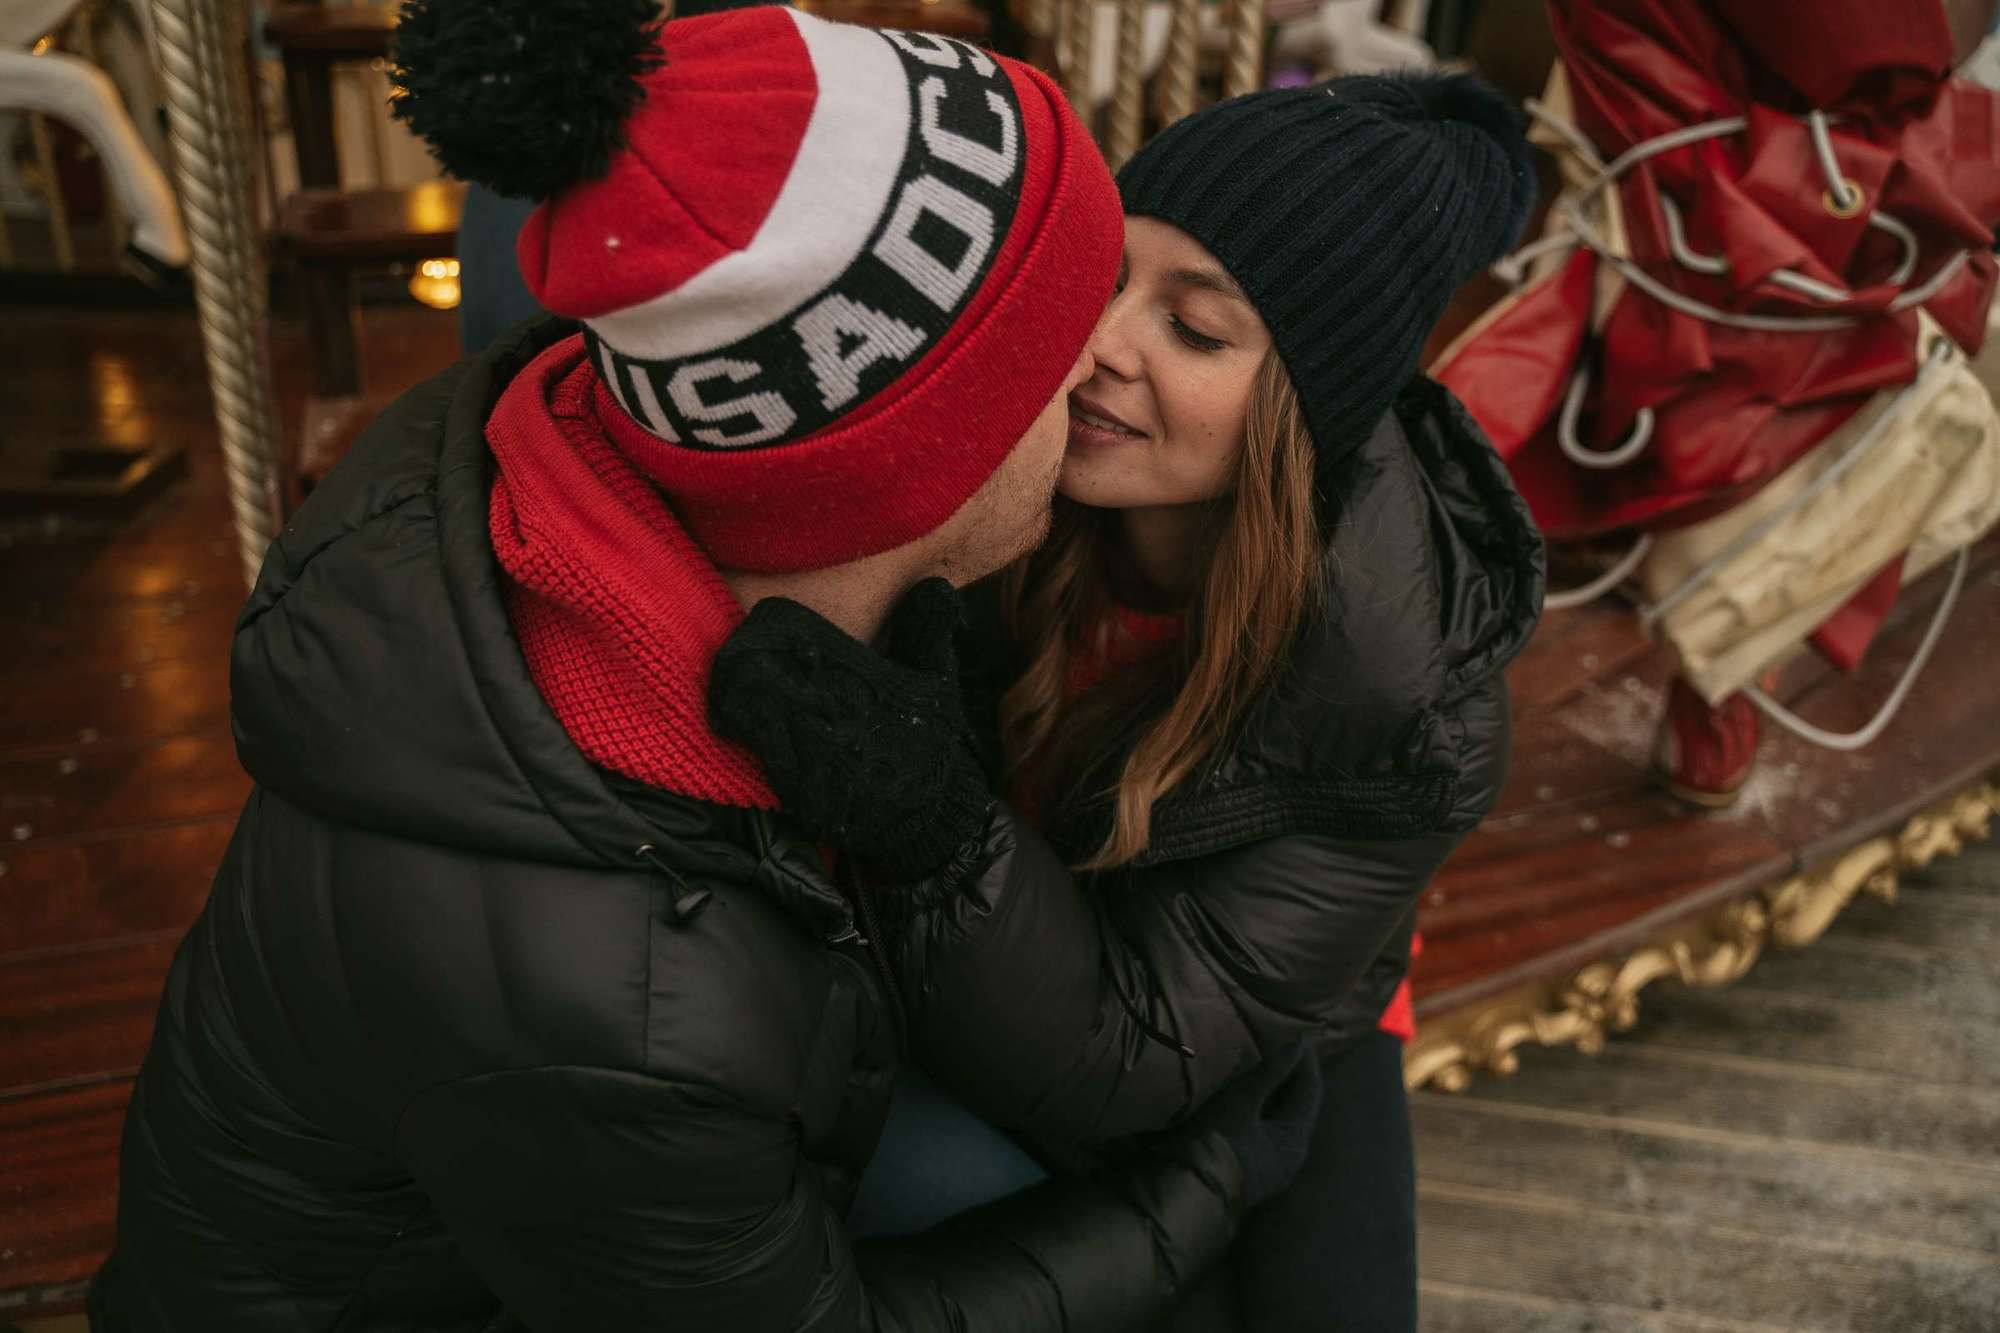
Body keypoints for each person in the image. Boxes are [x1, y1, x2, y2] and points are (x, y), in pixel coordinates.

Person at [87, 4, 1323, 1329]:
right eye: (1066, 326)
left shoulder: (602, 497)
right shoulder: (618, 991)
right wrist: (1207, 1190)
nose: (1103, 372)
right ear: (911, 462)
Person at [709, 71, 1547, 1330]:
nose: (1103, 345)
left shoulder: (1403, 703)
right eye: (1104, 280)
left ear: (1301, 416)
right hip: (1019, 969)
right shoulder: (1008, 487)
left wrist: (930, 815)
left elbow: (1132, 1054)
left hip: (1261, 1012)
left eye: (1195, 332)